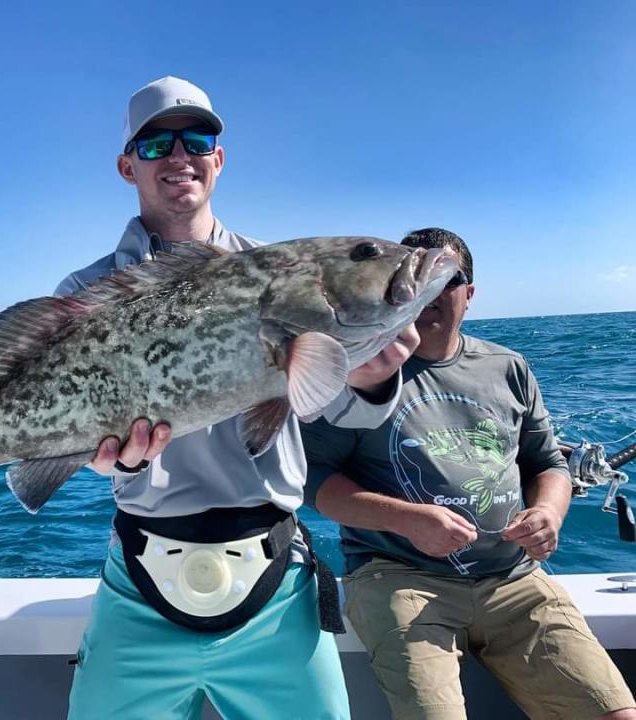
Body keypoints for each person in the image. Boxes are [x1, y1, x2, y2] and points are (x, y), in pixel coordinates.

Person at [55, 76, 418, 720]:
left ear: (217, 159)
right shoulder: (88, 289)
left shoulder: (278, 268)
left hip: (275, 580)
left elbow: (336, 412)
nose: (179, 156)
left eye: (198, 139)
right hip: (139, 575)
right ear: (126, 165)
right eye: (155, 143)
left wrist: (371, 376)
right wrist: (104, 458)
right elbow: (76, 428)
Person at [301, 227, 636, 720]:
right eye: (411, 277)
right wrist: (407, 520)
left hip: (514, 578)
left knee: (613, 713)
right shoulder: (361, 371)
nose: (430, 291)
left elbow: (547, 463)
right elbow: (315, 483)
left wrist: (548, 513)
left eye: (448, 278)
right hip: (399, 578)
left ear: (470, 293)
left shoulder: (508, 367)